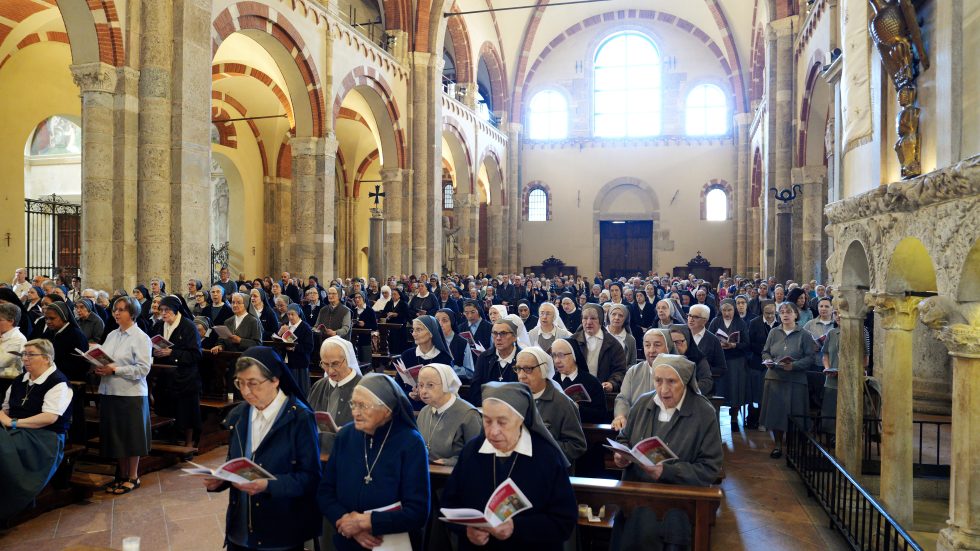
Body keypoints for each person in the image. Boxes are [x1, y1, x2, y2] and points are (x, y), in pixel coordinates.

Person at [205, 347, 321, 550]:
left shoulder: (300, 418)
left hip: (280, 531)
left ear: (275, 380)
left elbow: (311, 478)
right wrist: (221, 480)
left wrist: (268, 485)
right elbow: (236, 462)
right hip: (239, 530)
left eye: (253, 383)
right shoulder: (239, 415)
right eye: (240, 383)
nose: (245, 391)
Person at [441, 382, 577, 550]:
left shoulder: (546, 456)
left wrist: (517, 527)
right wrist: (466, 530)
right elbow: (448, 504)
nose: (493, 431)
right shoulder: (472, 451)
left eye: (502, 422)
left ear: (521, 419)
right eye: (487, 420)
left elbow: (564, 521)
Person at [318, 373, 430, 551]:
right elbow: (325, 492)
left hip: (393, 544)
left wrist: (368, 522)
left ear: (387, 410)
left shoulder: (410, 443)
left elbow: (418, 512)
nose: (355, 412)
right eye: (353, 404)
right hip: (347, 540)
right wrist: (347, 523)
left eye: (363, 405)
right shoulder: (345, 436)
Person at [0, 339, 73, 519]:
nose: (25, 359)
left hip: (44, 437)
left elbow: (49, 417)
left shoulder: (58, 383)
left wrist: (13, 423)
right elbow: (5, 409)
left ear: (47, 358)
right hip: (17, 431)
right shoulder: (20, 380)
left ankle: (9, 503)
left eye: (31, 355)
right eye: (24, 354)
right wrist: (5, 418)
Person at [97, 296, 152, 495]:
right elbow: (106, 359)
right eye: (115, 309)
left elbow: (143, 369)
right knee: (117, 437)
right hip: (109, 390)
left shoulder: (140, 337)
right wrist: (99, 366)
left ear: (133, 313)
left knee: (131, 436)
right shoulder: (112, 334)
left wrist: (115, 370)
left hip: (131, 393)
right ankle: (121, 475)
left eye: (121, 310)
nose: (116, 313)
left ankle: (133, 477)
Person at [761, 301, 820, 458]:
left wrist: (794, 366)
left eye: (788, 312)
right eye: (782, 312)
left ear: (796, 315)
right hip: (775, 378)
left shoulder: (804, 334)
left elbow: (810, 357)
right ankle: (778, 445)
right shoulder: (774, 332)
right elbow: (765, 352)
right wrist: (768, 360)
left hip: (795, 379)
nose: (785, 315)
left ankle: (793, 445)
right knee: (776, 413)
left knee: (795, 413)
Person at [515, 347, 587, 464]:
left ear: (543, 370)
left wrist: (539, 447)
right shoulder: (514, 399)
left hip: (549, 469)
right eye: (518, 369)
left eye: (528, 369)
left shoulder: (563, 403)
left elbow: (577, 446)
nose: (521, 376)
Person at [149, 296, 202, 447]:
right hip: (164, 376)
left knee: (186, 412)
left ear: (176, 310)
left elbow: (196, 354)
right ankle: (168, 440)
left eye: (167, 310)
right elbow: (150, 345)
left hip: (185, 377)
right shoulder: (159, 325)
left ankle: (188, 444)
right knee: (165, 408)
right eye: (161, 310)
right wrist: (155, 352)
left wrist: (172, 353)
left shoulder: (188, 326)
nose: (163, 313)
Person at [416, 363, 482, 465]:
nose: (423, 391)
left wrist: (449, 462)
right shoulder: (424, 411)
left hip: (453, 473)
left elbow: (476, 454)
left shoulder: (469, 414)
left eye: (430, 385)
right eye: (420, 385)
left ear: (446, 385)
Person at [308, 336, 362, 460]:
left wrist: (350, 432)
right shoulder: (318, 386)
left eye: (335, 364)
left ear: (347, 359)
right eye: (325, 364)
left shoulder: (364, 387)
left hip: (350, 458)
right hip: (318, 458)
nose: (330, 370)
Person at [613, 328, 677, 430]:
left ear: (668, 347)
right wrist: (621, 415)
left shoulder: (678, 373)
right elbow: (623, 399)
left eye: (657, 345)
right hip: (637, 428)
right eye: (647, 345)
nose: (651, 350)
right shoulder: (634, 371)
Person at [708, 299, 750, 428]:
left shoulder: (740, 322)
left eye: (729, 310)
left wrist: (734, 345)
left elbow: (746, 343)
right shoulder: (715, 321)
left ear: (734, 310)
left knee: (735, 389)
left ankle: (734, 418)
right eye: (724, 310)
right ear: (721, 310)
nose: (727, 313)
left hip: (736, 360)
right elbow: (708, 339)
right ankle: (715, 418)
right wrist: (718, 345)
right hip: (719, 360)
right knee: (719, 389)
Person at [571, 303, 627, 392]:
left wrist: (612, 383)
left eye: (593, 318)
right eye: (585, 318)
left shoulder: (613, 344)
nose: (588, 322)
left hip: (602, 392)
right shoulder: (572, 342)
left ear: (600, 320)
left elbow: (620, 370)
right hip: (577, 392)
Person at [550, 337, 607, 424]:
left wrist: (578, 408)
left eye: (561, 355)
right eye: (554, 356)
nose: (557, 361)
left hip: (585, 430)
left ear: (574, 356)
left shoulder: (592, 382)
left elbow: (601, 415)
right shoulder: (551, 383)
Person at [466, 319, 522, 406]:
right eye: (495, 333)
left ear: (514, 337)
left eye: (503, 333)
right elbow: (475, 391)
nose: (498, 338)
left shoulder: (522, 358)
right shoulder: (484, 358)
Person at [37, 302, 90, 382]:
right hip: (49, 374)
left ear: (63, 317)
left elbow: (79, 365)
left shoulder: (76, 336)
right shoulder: (49, 333)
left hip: (68, 379)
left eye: (52, 318)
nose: (48, 321)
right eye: (46, 318)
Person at [746, 300, 778, 429]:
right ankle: (755, 419)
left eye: (772, 313)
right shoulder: (754, 322)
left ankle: (769, 420)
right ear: (762, 311)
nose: (769, 316)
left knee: (772, 392)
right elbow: (750, 342)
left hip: (775, 362)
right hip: (757, 361)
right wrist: (764, 352)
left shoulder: (779, 323)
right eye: (767, 313)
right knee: (757, 392)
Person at [667, 325, 715, 396]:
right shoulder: (664, 358)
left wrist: (686, 391)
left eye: (678, 342)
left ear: (688, 340)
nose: (674, 346)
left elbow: (707, 382)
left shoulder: (698, 358)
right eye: (671, 342)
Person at [686, 304, 727, 389]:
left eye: (696, 317)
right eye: (689, 315)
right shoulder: (681, 336)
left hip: (703, 386)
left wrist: (703, 370)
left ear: (705, 321)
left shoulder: (713, 340)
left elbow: (721, 368)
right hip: (682, 383)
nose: (691, 319)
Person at [278, 304, 315, 399]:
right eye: (288, 314)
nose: (290, 317)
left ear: (298, 314)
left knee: (300, 392)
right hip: (286, 363)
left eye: (292, 314)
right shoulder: (284, 325)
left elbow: (309, 347)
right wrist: (279, 333)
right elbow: (277, 344)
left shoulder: (305, 328)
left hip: (299, 364)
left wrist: (294, 347)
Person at [435, 308, 475, 382]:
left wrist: (450, 370)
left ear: (452, 322)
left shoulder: (462, 343)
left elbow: (470, 372)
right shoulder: (432, 341)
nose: (440, 324)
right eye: (437, 321)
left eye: (444, 320)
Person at [0, 302, 27, 373]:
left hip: (7, 377)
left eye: (0, 320)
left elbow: (2, 361)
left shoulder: (19, 339)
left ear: (11, 321)